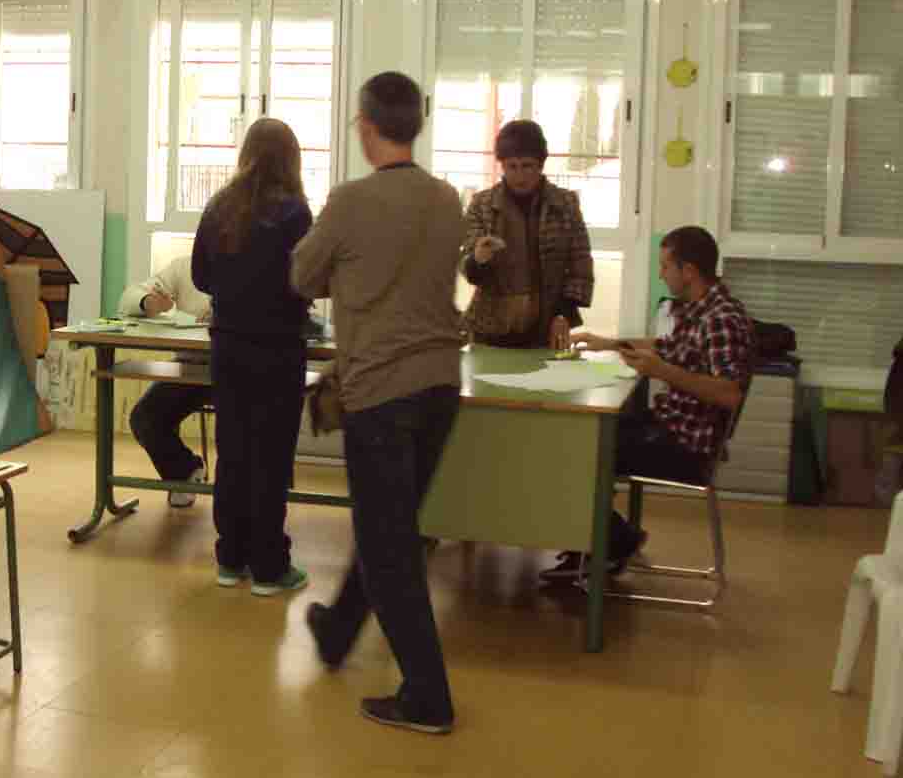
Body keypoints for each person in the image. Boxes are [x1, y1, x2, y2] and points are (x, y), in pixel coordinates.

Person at [292, 72, 464, 734]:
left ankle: (427, 696)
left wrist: (344, 269)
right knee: (391, 527)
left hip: (380, 392)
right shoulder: (447, 198)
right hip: (439, 386)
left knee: (389, 545)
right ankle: (339, 630)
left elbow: (301, 275)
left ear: (366, 127)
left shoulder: (349, 201)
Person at [545, 225, 754, 580]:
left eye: (665, 266)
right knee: (581, 433)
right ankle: (601, 540)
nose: (661, 274)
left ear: (688, 271)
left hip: (686, 446)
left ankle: (613, 543)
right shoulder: (702, 308)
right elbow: (665, 346)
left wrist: (662, 371)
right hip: (669, 426)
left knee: (578, 451)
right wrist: (608, 343)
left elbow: (729, 392)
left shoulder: (720, 319)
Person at [190, 118, 313, 596]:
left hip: (229, 346)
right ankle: (269, 567)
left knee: (234, 453)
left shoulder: (220, 206)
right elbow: (305, 280)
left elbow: (200, 277)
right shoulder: (295, 213)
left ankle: (230, 558)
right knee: (271, 458)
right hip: (278, 348)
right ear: (291, 159)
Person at [461, 119, 593, 352]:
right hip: (490, 329)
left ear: (541, 164)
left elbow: (580, 265)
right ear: (502, 165)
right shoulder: (481, 204)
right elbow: (469, 271)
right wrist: (478, 258)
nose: (520, 176)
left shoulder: (565, 204)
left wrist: (563, 314)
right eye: (511, 166)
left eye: (527, 166)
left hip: (547, 326)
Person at [117, 255, 212, 508]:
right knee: (145, 418)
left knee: (242, 428)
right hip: (191, 368)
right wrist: (148, 302)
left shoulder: (259, 262)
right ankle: (185, 472)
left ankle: (248, 500)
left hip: (242, 369)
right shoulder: (185, 266)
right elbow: (128, 298)